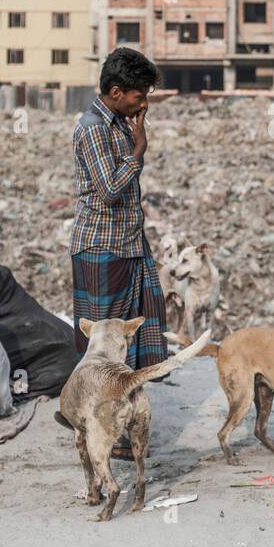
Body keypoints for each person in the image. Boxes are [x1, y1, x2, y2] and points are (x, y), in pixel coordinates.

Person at [70, 47, 166, 459]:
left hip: (128, 244)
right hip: (102, 249)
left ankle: (124, 426)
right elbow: (110, 191)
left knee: (131, 342)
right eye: (139, 95)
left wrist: (134, 142)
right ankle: (99, 429)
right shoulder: (92, 128)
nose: (143, 103)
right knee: (103, 349)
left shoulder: (118, 124)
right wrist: (139, 147)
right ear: (115, 91)